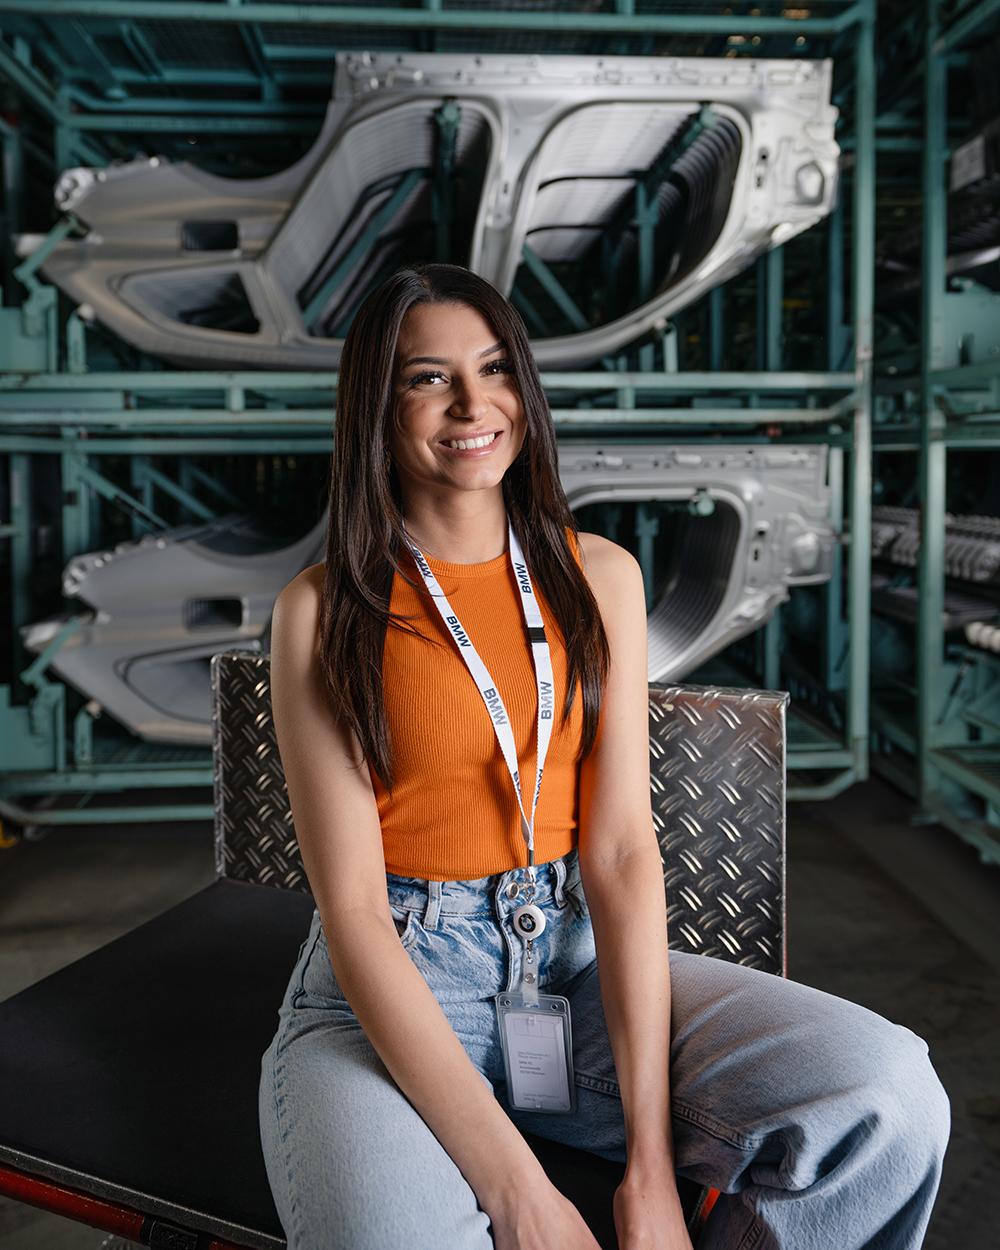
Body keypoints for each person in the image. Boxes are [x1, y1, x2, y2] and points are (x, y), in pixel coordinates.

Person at [259, 264, 949, 1250]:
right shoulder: (322, 610)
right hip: (395, 980)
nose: (471, 403)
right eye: (425, 377)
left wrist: (651, 1172)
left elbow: (623, 853)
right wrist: (520, 1191)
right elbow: (356, 911)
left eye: (494, 368)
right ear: (375, 401)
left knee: (886, 1093)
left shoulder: (599, 577)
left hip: (567, 963)